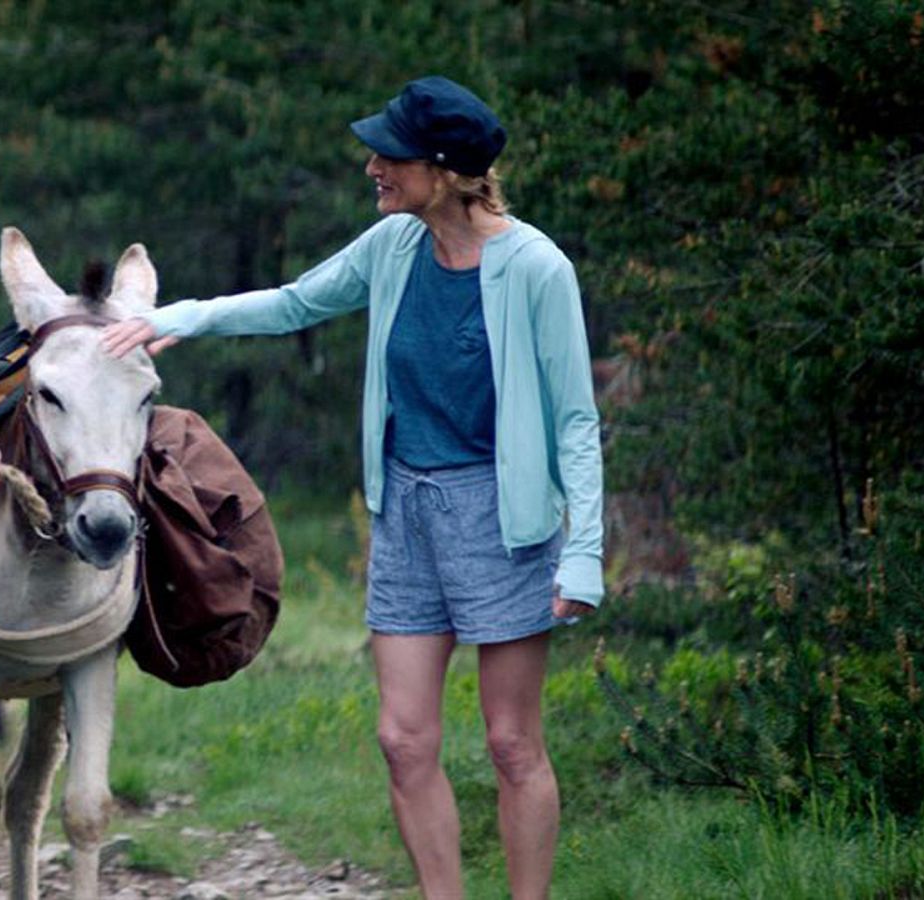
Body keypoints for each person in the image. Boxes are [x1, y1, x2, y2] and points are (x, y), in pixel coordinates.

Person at [103, 76, 603, 899]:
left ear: (445, 170)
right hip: (405, 512)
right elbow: (295, 303)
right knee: (403, 740)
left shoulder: (537, 269)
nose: (373, 166)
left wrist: (583, 553)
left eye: (390, 155)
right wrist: (178, 317)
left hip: (503, 520)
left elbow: (576, 421)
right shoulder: (393, 246)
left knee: (512, 744)